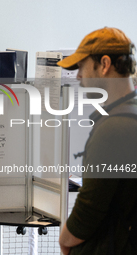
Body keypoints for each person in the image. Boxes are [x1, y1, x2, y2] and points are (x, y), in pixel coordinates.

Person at [57, 27, 137, 255]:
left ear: (104, 64)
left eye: (81, 66)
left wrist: (65, 238)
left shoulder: (113, 128)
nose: (79, 76)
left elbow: (89, 208)